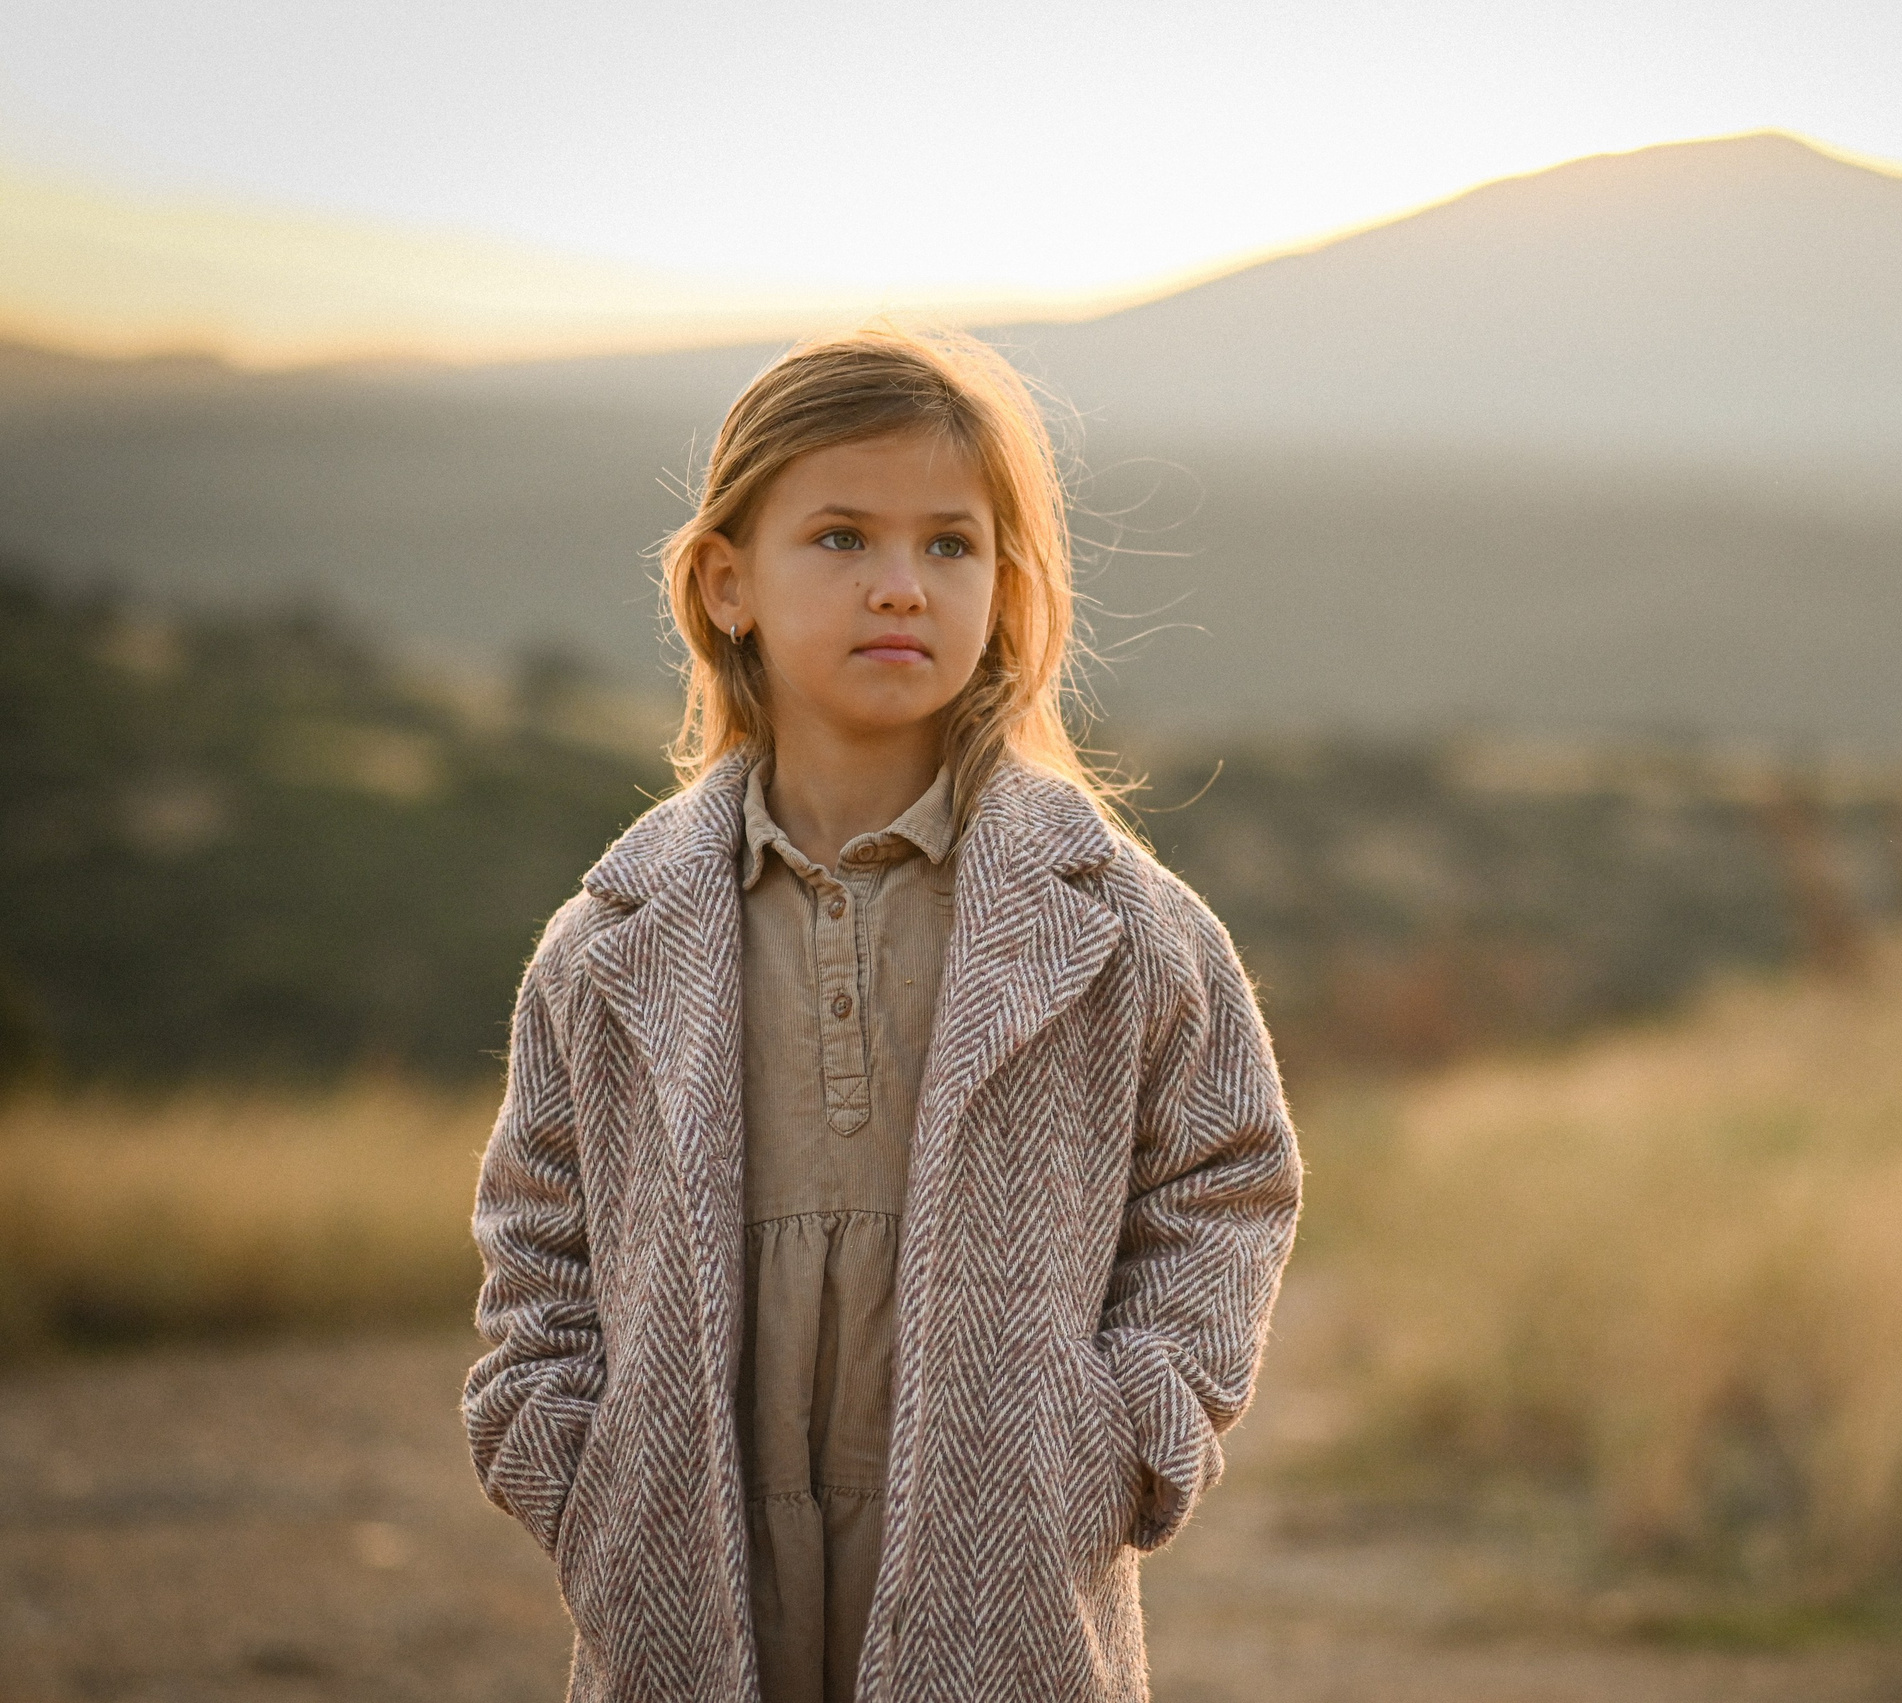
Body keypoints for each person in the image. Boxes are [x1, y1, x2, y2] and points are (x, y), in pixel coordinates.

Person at [461, 325, 1302, 1703]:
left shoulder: (1116, 923)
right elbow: (537, 1245)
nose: (900, 587)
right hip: (694, 1559)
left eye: (951, 546)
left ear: (1008, 593)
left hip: (1008, 1574)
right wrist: (580, 1471)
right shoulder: (608, 948)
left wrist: (1122, 1436)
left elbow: (1227, 1183)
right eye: (843, 539)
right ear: (728, 583)